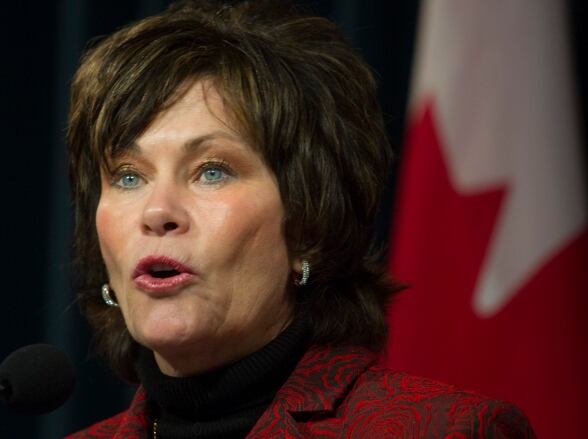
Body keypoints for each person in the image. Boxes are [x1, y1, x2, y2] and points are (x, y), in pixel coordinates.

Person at [64, 1, 535, 437]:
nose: (157, 212)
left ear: (308, 226)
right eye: (128, 177)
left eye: (211, 171)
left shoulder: (447, 430)